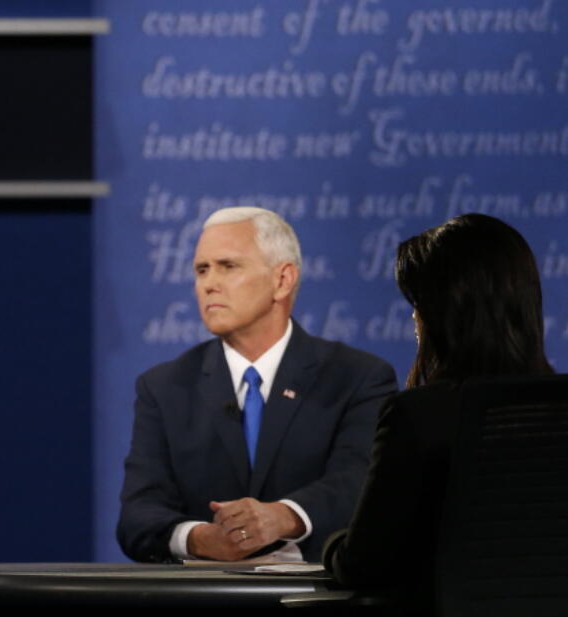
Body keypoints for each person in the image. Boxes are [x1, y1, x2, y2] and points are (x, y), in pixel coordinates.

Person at [263, 213, 555, 617]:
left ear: (442, 317)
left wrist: (331, 546)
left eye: (417, 308)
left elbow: (364, 564)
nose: (415, 324)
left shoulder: (420, 416)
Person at [118, 206, 397, 563]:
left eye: (228, 266)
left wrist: (284, 517)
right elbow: (138, 515)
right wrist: (200, 538)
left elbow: (361, 486)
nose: (209, 283)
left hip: (319, 608)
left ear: (283, 280)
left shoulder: (356, 378)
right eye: (201, 269)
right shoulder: (164, 387)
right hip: (201, 607)